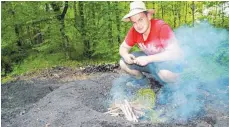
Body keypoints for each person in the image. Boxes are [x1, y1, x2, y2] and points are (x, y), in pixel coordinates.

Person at [119, 1, 183, 87]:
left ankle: (178, 85)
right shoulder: (134, 31)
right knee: (123, 63)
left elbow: (175, 53)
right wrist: (126, 55)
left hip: (169, 63)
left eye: (140, 19)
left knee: (165, 74)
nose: (138, 25)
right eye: (134, 22)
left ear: (148, 16)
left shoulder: (161, 27)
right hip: (151, 62)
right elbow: (123, 47)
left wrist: (148, 59)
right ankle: (142, 81)